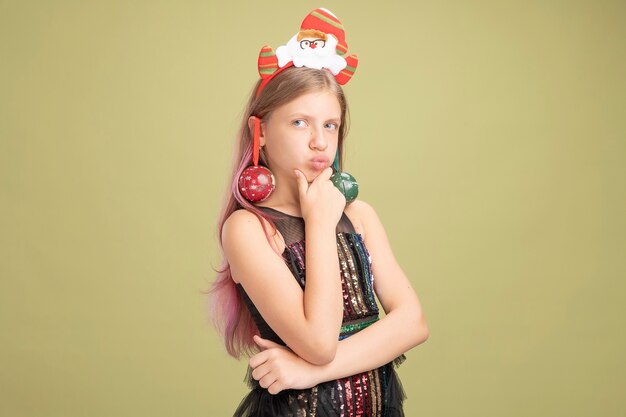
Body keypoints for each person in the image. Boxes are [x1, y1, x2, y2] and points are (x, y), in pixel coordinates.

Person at [209, 8, 429, 417]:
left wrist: (309, 373)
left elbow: (413, 322)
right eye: (299, 122)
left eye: (330, 125)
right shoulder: (249, 228)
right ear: (261, 134)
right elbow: (318, 341)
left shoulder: (360, 215)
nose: (318, 142)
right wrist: (319, 220)